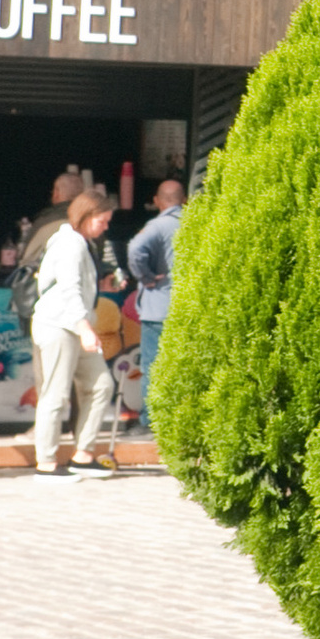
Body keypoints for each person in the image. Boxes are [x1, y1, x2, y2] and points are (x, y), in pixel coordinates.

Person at [31, 187, 122, 476]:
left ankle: (82, 455)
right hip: (60, 325)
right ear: (86, 216)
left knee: (101, 385)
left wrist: (102, 288)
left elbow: (71, 286)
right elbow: (68, 288)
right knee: (55, 394)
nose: (105, 226)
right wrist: (85, 328)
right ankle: (45, 463)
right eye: (102, 220)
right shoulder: (71, 243)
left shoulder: (79, 242)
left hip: (72, 324)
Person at [126, 176, 186, 418]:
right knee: (180, 367)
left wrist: (146, 276)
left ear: (157, 201)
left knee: (153, 365)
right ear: (185, 200)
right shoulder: (197, 223)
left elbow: (134, 249)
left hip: (159, 308)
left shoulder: (158, 226)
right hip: (187, 307)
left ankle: (151, 421)